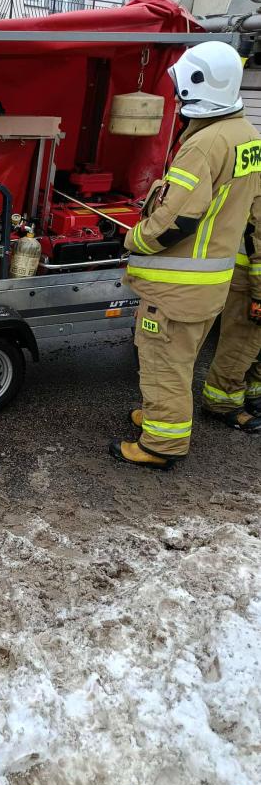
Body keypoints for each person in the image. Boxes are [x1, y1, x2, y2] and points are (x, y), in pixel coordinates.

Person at [110, 41, 261, 470]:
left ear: (197, 86)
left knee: (164, 363)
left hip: (177, 288)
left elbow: (177, 220)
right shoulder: (247, 137)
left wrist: (133, 239)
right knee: (178, 359)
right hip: (207, 286)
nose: (177, 98)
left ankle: (161, 444)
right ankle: (160, 417)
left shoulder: (204, 145)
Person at [201, 199, 261, 429]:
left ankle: (253, 395)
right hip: (249, 279)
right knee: (241, 344)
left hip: (252, 277)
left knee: (254, 344)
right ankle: (221, 402)